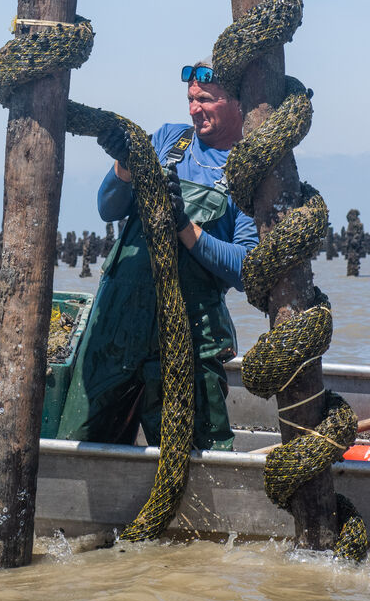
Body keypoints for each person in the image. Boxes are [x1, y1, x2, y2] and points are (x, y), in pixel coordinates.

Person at [57, 59, 257, 451]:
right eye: (190, 99)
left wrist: (184, 226)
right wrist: (125, 164)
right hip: (115, 329)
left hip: (190, 337)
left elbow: (245, 268)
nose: (194, 109)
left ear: (238, 102)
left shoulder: (249, 171)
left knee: (197, 457)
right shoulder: (169, 140)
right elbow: (108, 208)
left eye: (205, 100)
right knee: (81, 443)